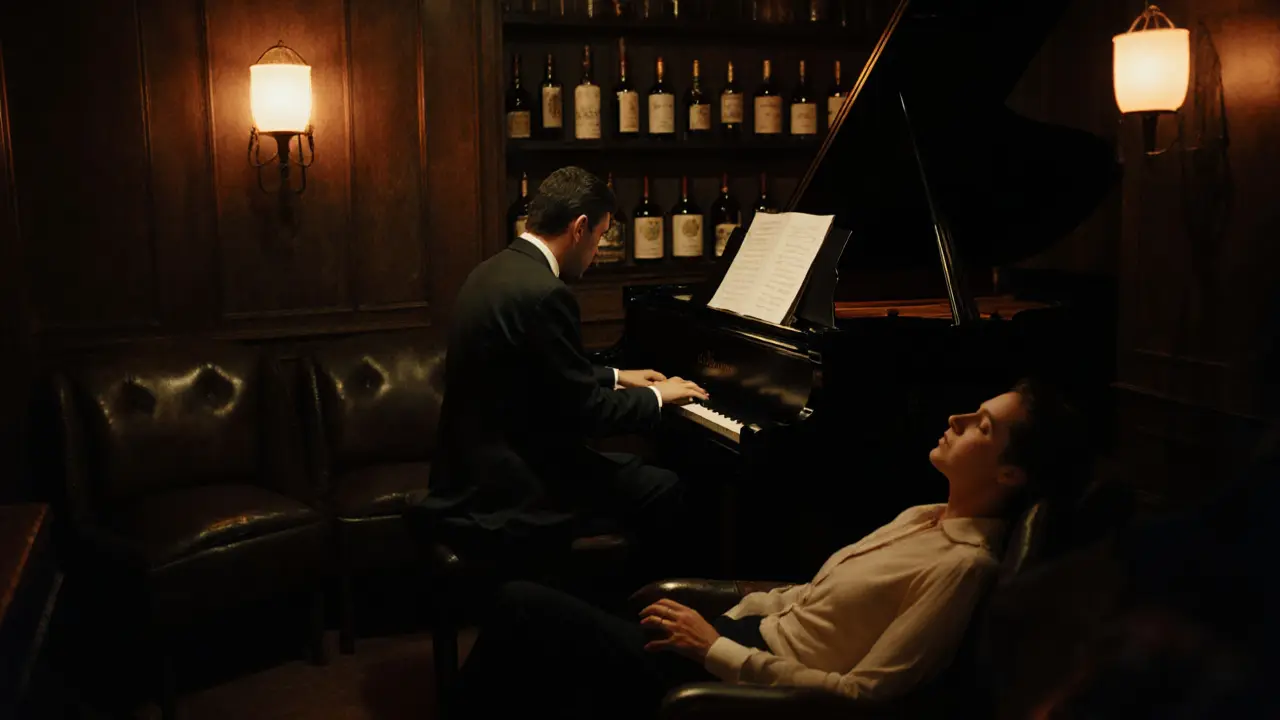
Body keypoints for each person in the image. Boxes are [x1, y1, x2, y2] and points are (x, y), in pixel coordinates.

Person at [446, 378, 1090, 719]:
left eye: (980, 425)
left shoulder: (962, 567)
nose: (953, 420)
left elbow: (861, 696)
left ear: (1012, 475)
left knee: (522, 608)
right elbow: (811, 597)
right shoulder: (924, 513)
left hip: (747, 683)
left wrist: (714, 646)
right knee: (551, 656)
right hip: (734, 639)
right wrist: (732, 612)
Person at [407, 166, 709, 568]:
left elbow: (532, 374)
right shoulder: (547, 294)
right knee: (662, 486)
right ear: (579, 227)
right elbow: (589, 414)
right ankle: (626, 613)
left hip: (469, 471)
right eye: (600, 237)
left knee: (634, 471)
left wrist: (617, 376)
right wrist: (657, 396)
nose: (598, 253)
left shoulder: (493, 270)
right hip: (512, 487)